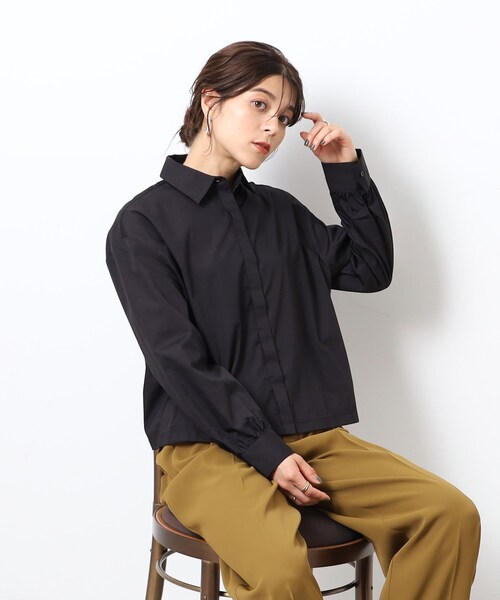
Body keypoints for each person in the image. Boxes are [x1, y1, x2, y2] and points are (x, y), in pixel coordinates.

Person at [105, 40, 480, 599]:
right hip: (203, 447)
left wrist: (343, 169)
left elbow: (371, 268)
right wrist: (267, 453)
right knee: (280, 568)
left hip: (312, 440)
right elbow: (179, 362)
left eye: (283, 117)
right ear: (210, 100)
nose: (273, 128)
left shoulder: (282, 214)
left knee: (448, 514)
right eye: (259, 105)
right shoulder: (143, 225)